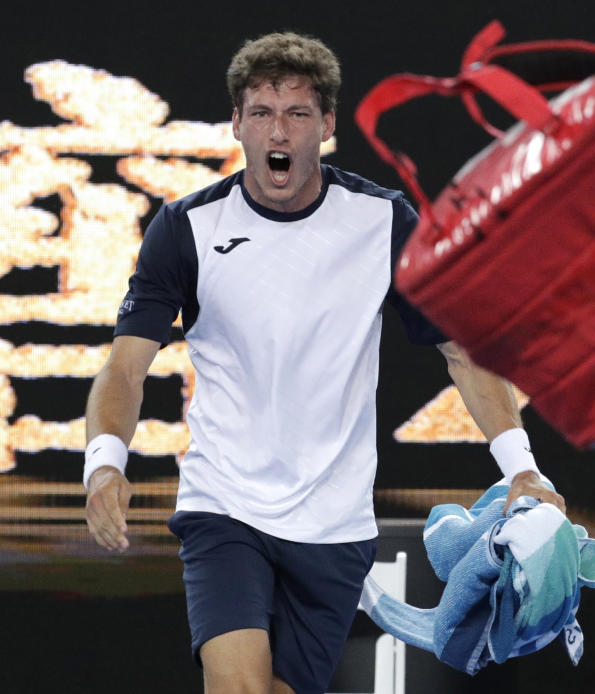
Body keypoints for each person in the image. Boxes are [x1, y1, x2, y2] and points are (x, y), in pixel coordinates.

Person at [83, 32, 564, 694]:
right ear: (238, 124)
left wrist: (524, 469)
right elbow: (124, 369)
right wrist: (104, 462)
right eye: (261, 113)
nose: (277, 130)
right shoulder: (187, 228)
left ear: (327, 126)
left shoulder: (381, 221)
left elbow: (465, 351)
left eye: (297, 114)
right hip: (225, 506)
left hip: (334, 526)